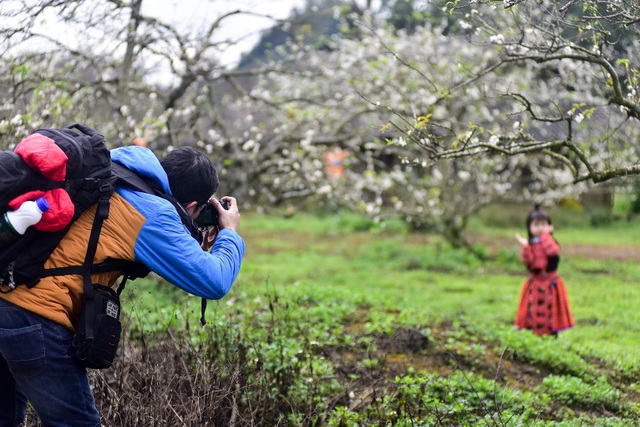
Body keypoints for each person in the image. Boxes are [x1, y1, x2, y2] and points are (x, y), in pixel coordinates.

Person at [0, 145, 245, 426]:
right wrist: (230, 233)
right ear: (192, 207)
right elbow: (215, 281)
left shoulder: (113, 174)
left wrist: (188, 241)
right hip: (34, 315)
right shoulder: (154, 213)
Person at [514, 204, 573, 336]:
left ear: (550, 226)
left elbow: (552, 251)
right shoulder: (531, 244)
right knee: (533, 310)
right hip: (535, 283)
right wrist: (526, 247)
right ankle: (535, 334)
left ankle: (552, 335)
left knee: (551, 310)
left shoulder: (550, 241)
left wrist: (546, 236)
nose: (540, 228)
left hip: (550, 283)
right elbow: (527, 260)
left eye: (543, 224)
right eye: (536, 224)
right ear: (529, 227)